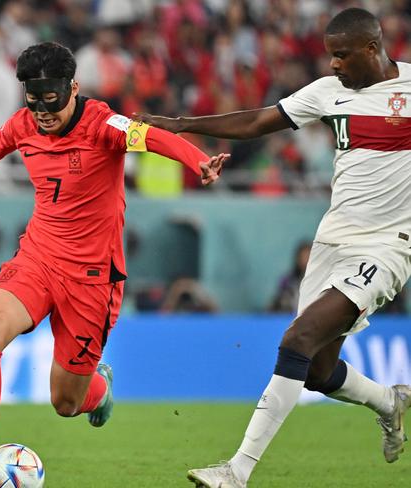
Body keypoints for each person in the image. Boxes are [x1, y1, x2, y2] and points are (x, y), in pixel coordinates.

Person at [0, 41, 228, 487]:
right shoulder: (23, 124)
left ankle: (97, 390)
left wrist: (197, 160)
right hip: (39, 257)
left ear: (73, 88)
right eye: (34, 98)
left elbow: (155, 137)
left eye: (52, 99)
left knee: (65, 402)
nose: (43, 110)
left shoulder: (104, 123)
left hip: (92, 278)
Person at [136, 7, 411, 487]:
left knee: (296, 341)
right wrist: (181, 125)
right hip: (332, 240)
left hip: (386, 247)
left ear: (372, 48)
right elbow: (258, 120)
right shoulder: (328, 93)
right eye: (331, 56)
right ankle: (389, 401)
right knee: (318, 371)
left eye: (343, 55)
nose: (334, 65)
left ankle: (236, 471)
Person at [269, 240, 312, 313]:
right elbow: (277, 302)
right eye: (303, 256)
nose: (306, 260)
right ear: (298, 259)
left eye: (308, 256)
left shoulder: (321, 281)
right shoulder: (288, 281)